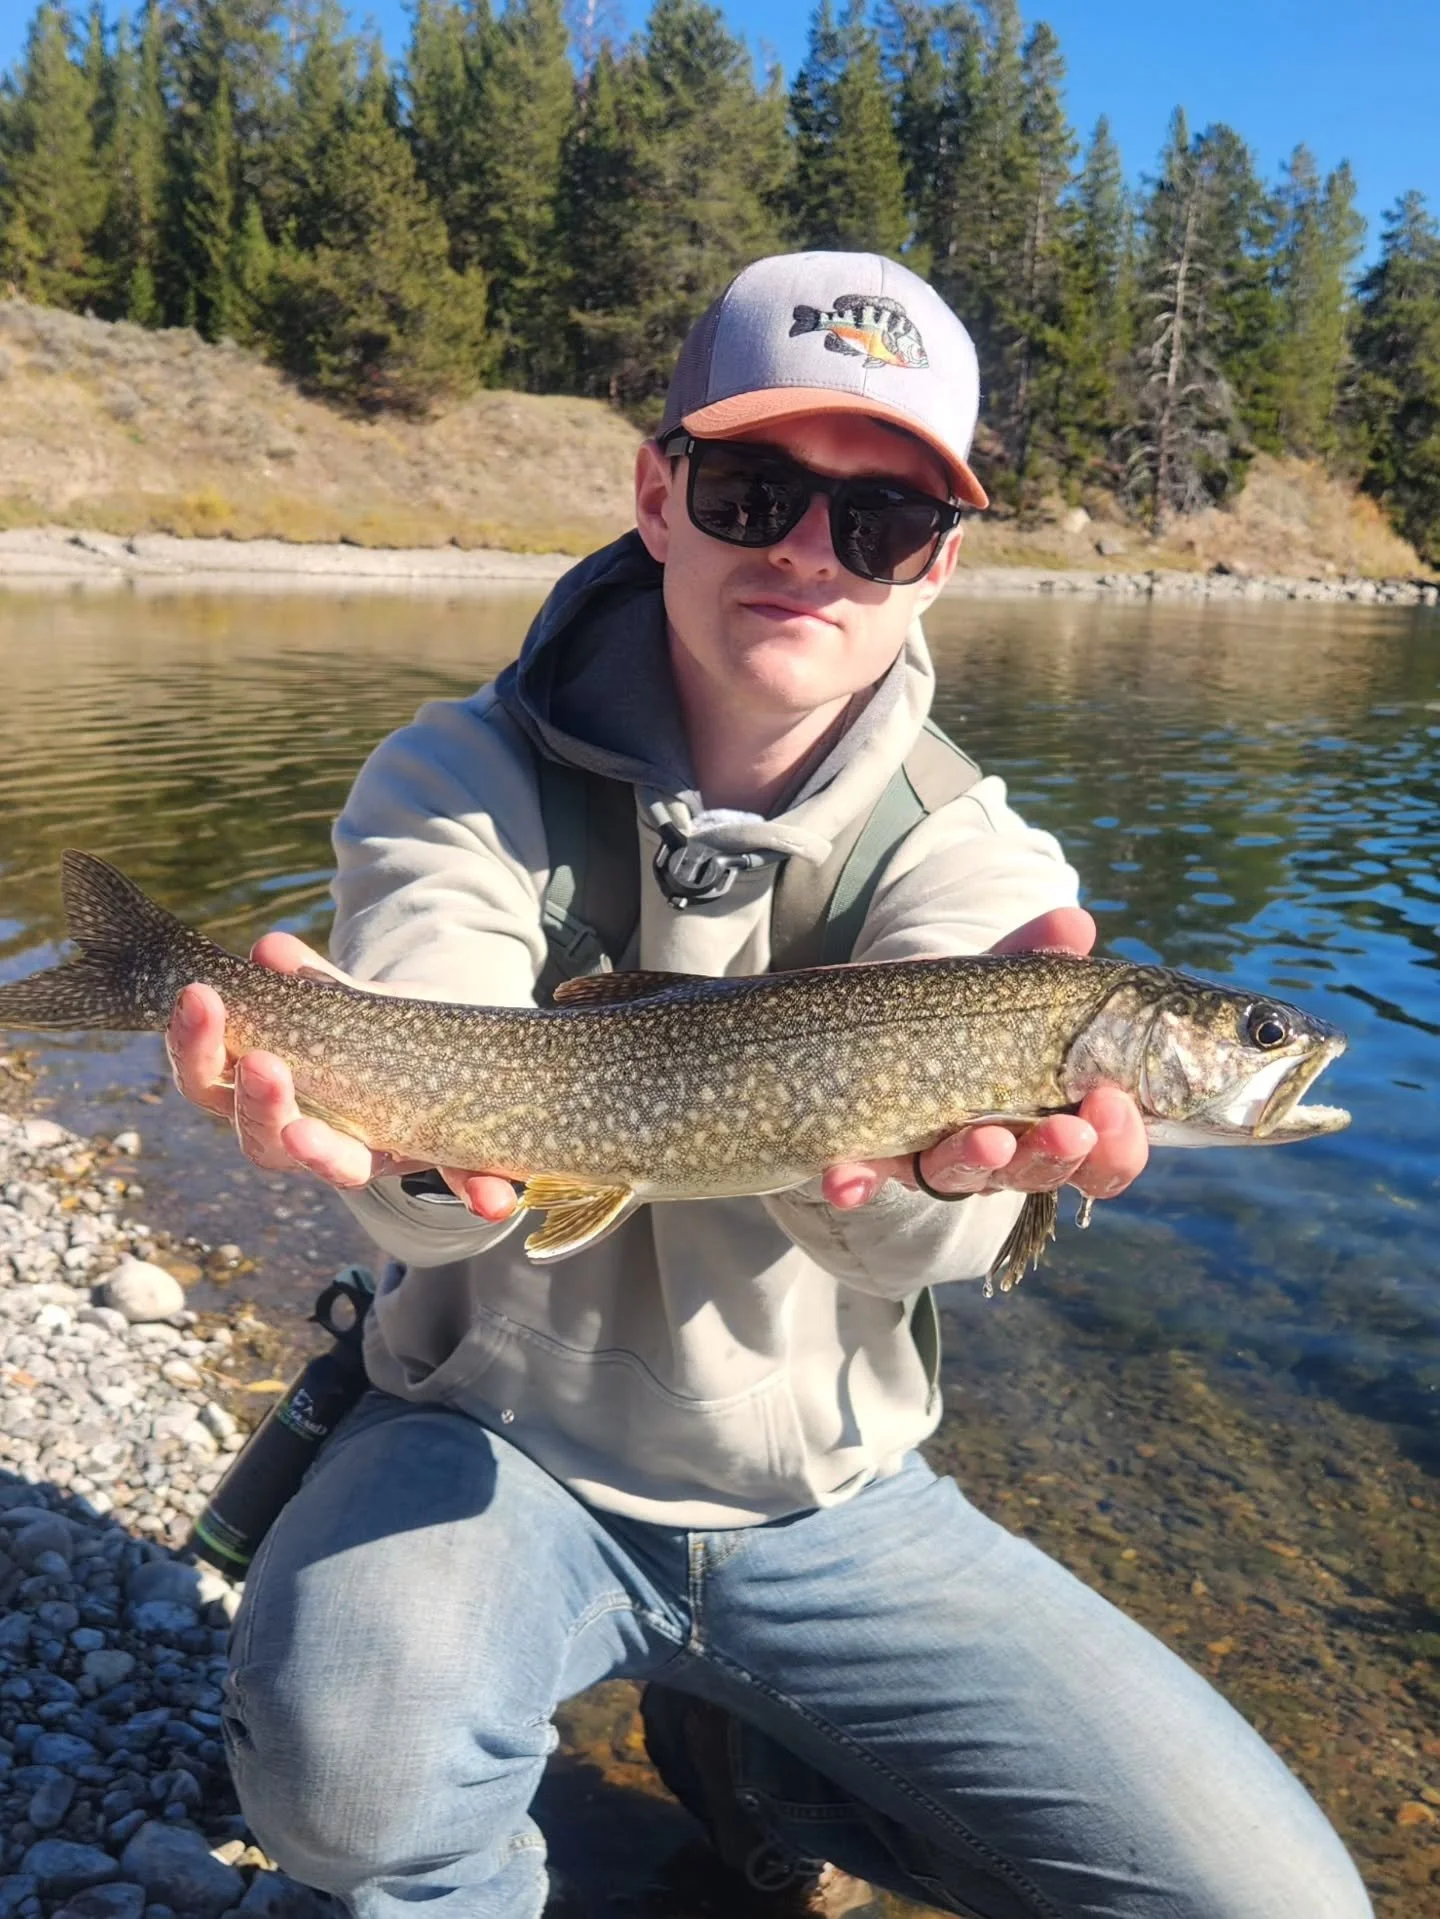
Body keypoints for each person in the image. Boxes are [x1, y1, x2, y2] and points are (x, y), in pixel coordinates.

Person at [171, 252, 1372, 1919]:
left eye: (880, 523)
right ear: (657, 497)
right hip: (484, 1445)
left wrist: (939, 1198)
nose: (814, 552)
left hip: (833, 1501)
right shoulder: (454, 778)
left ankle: (761, 1755)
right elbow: (440, 1137)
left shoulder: (990, 871)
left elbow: (924, 1253)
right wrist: (405, 1161)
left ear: (939, 562)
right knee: (341, 1761)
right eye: (756, 491)